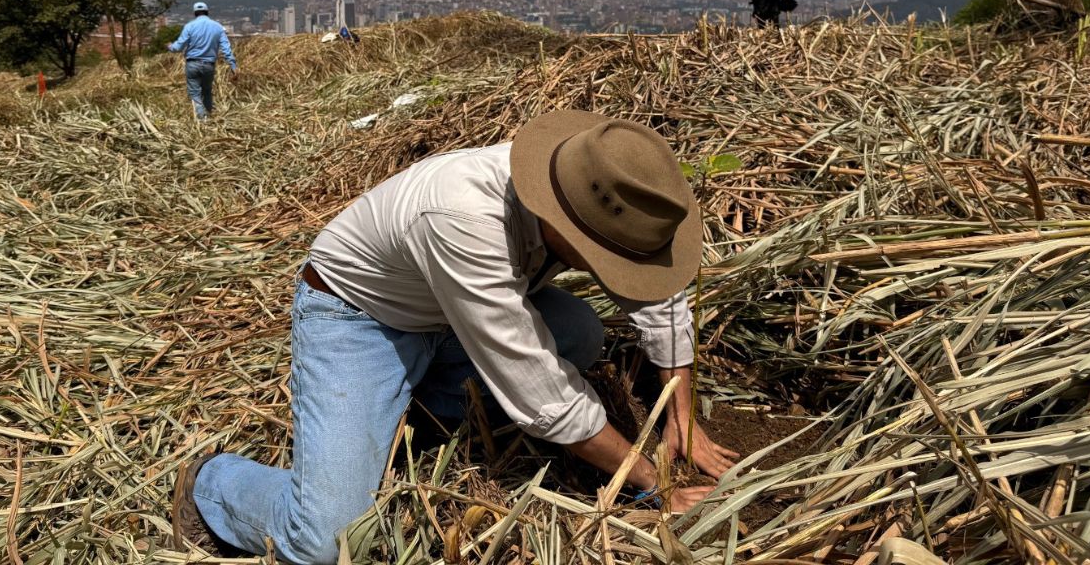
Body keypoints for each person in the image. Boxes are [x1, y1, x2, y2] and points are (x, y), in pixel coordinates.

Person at [171, 110, 741, 563]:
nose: (611, 270)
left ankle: (415, 416)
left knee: (580, 334)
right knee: (327, 540)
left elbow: (656, 291)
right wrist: (651, 484)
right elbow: (542, 394)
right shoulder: (466, 218)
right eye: (603, 258)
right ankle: (213, 485)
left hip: (449, 312)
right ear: (562, 224)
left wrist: (681, 416)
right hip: (360, 318)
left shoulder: (596, 179)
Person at [167, 2, 237, 120]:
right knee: (207, 91)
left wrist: (170, 46)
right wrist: (233, 65)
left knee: (195, 93)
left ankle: (201, 118)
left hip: (192, 64)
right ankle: (208, 116)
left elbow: (178, 47)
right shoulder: (218, 27)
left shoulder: (189, 26)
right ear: (207, 12)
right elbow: (226, 48)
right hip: (209, 65)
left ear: (194, 13)